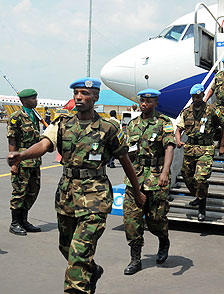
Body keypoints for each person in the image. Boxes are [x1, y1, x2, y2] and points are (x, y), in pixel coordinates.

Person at [7, 77, 145, 294]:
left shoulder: (109, 128)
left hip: (96, 196)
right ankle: (93, 270)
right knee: (66, 247)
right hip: (67, 195)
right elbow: (44, 145)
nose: (79, 97)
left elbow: (125, 161)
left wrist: (137, 192)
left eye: (85, 94)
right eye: (76, 93)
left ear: (95, 97)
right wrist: (21, 155)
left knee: (79, 253)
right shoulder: (62, 124)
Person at [123, 88, 175, 275]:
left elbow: (170, 148)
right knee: (131, 221)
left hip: (155, 177)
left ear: (155, 103)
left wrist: (165, 172)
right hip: (135, 179)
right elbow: (128, 151)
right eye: (142, 101)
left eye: (148, 101)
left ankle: (163, 240)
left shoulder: (163, 123)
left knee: (156, 220)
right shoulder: (132, 124)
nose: (144, 104)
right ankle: (135, 259)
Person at [175, 84, 224, 221]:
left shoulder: (211, 111)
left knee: (200, 178)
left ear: (203, 95)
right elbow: (178, 129)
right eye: (194, 97)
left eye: (198, 96)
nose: (196, 99)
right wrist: (179, 140)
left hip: (206, 148)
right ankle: (199, 195)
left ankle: (202, 207)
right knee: (187, 176)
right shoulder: (186, 112)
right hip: (190, 148)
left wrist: (222, 146)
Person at [7, 88, 42, 236]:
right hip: (21, 161)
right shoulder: (16, 117)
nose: (36, 100)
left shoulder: (34, 115)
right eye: (33, 98)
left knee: (33, 191)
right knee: (19, 192)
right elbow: (12, 139)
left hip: (34, 160)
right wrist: (14, 163)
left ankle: (23, 220)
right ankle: (15, 223)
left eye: (36, 97)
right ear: (24, 100)